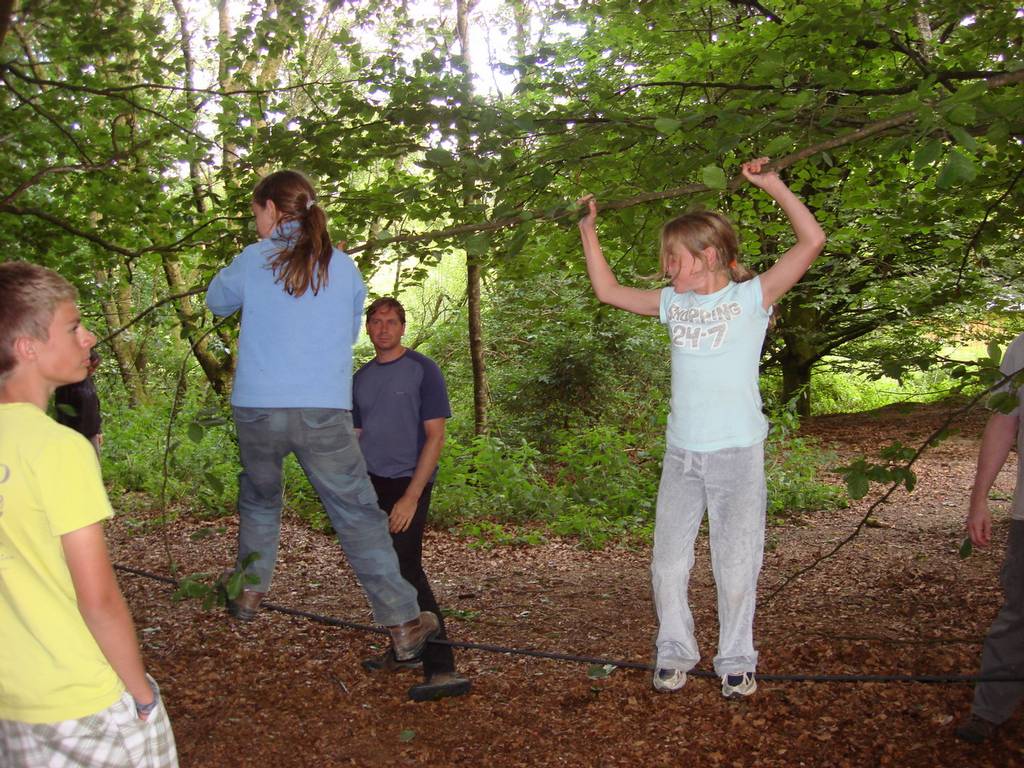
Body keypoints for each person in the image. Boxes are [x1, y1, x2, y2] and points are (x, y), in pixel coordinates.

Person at [578, 157, 825, 698]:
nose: (668, 270)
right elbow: (609, 292)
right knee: (668, 562)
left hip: (737, 453)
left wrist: (772, 184)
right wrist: (588, 231)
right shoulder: (673, 303)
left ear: (707, 255)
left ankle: (737, 657)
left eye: (673, 259)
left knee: (737, 565)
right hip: (682, 454)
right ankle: (674, 651)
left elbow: (810, 241)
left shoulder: (751, 297)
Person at [205, 169, 438, 661]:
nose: (255, 222)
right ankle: (401, 620)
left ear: (271, 208)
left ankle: (248, 589)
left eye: (256, 213)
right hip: (322, 409)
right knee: (356, 514)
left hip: (258, 409)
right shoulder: (343, 267)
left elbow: (216, 302)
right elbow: (349, 329)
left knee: (260, 499)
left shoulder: (254, 259)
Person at [0, 261, 178, 767]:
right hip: (78, 696)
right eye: (74, 326)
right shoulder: (59, 449)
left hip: (12, 701)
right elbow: (97, 598)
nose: (89, 335)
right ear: (28, 347)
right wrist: (140, 695)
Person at [353, 297, 471, 702]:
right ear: (367, 328)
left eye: (391, 321)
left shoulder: (424, 370)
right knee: (383, 570)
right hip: (372, 485)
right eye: (376, 321)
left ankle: (442, 668)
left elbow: (435, 436)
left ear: (403, 327)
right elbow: (356, 437)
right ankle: (404, 647)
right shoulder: (360, 378)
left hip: (410, 482)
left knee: (406, 567)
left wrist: (411, 496)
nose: (383, 328)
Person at [956, 332, 1024, 743]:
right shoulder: (1022, 346)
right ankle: (990, 710)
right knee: (1018, 616)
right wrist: (979, 499)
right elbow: (1003, 421)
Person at [54, 347, 103, 454]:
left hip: (91, 433)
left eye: (95, 367)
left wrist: (98, 431)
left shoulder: (88, 380)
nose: (93, 370)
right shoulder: (66, 382)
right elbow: (62, 410)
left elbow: (95, 406)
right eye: (91, 366)